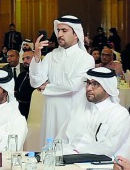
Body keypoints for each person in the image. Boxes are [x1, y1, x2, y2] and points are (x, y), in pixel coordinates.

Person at [28, 15, 95, 143]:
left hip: (71, 111)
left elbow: (73, 86)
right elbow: (35, 82)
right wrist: (36, 57)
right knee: (48, 150)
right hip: (50, 112)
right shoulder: (51, 56)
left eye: (64, 31)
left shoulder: (85, 59)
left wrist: (47, 86)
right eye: (58, 30)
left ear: (76, 34)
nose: (59, 34)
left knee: (66, 150)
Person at [61, 68, 130, 158]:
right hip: (69, 158)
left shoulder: (119, 114)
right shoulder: (79, 109)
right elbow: (61, 138)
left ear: (107, 88)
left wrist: (76, 153)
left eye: (95, 84)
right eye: (88, 83)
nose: (89, 88)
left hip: (100, 164)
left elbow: (108, 147)